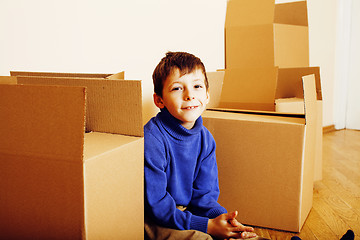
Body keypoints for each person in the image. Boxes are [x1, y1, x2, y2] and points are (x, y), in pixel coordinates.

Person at [144, 51, 257, 240]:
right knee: (202, 238)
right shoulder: (152, 139)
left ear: (207, 95)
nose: (190, 95)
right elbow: (157, 206)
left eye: (197, 86)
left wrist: (221, 220)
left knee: (236, 235)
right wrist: (207, 226)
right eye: (177, 88)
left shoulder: (206, 139)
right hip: (154, 219)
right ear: (159, 100)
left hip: (186, 213)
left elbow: (204, 196)